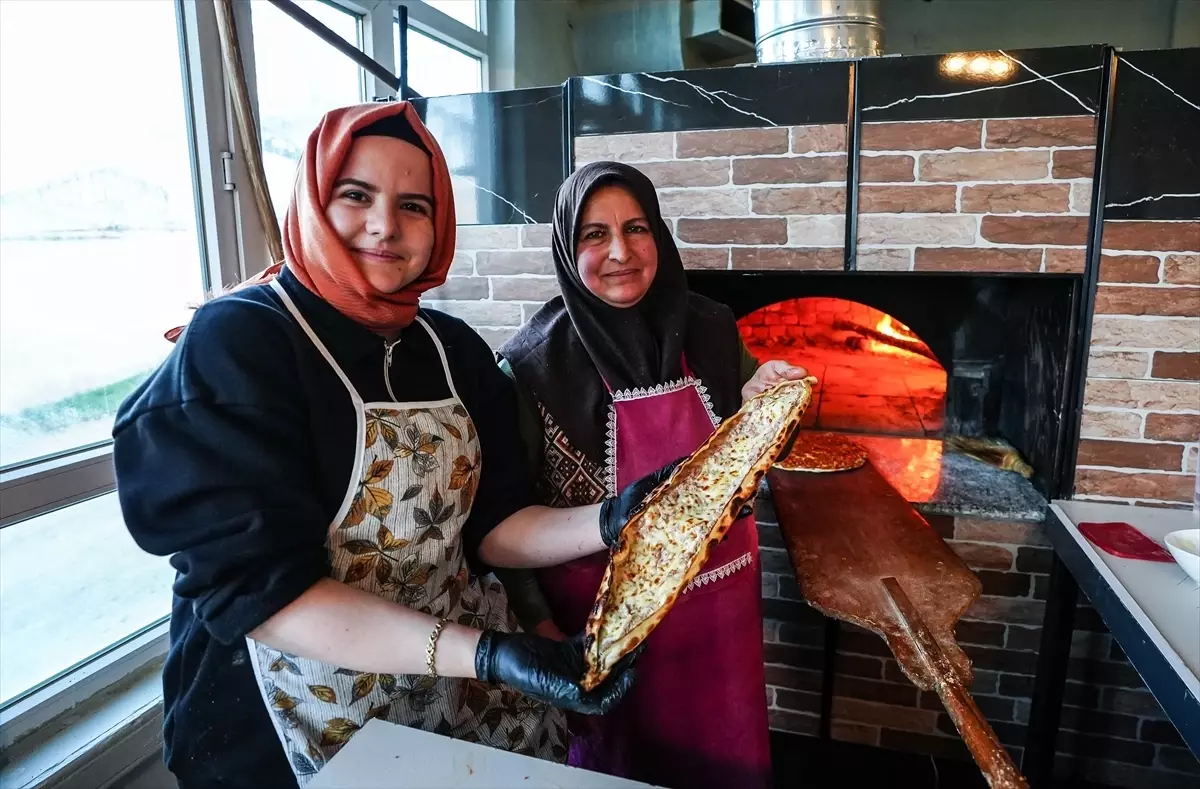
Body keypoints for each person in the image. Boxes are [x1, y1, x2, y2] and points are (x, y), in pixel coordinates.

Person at [112, 105, 671, 789]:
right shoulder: (242, 342)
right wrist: (489, 653)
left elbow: (496, 526)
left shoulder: (449, 348)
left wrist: (615, 518)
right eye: (356, 196)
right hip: (288, 713)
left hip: (453, 697)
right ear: (314, 203)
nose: (385, 226)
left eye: (413, 205)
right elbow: (263, 594)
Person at [498, 161, 809, 789]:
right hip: (609, 630)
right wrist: (542, 628)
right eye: (594, 234)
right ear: (566, 248)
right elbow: (505, 519)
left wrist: (766, 394)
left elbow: (755, 436)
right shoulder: (531, 366)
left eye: (636, 228)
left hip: (721, 614)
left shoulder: (711, 327)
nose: (622, 251)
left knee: (725, 760)